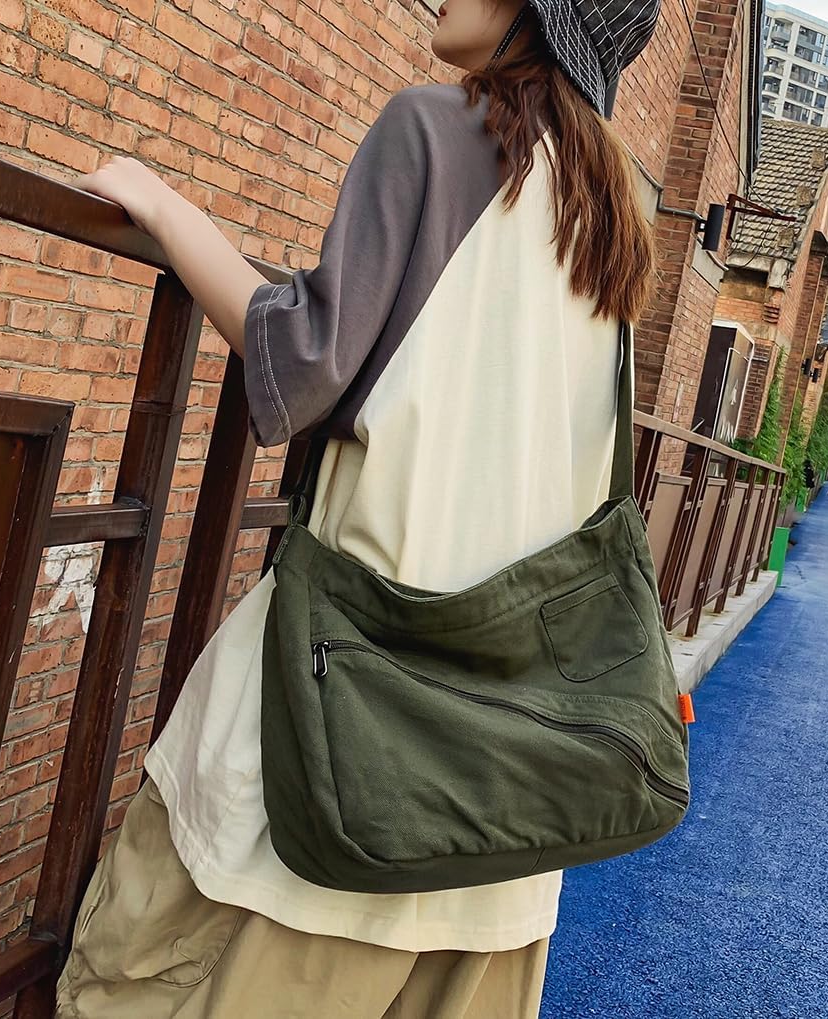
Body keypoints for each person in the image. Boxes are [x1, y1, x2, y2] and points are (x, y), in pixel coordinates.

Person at [56, 0, 662, 1015]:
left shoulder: (434, 130)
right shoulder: (608, 220)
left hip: (337, 757)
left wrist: (163, 207)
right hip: (505, 825)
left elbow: (304, 359)